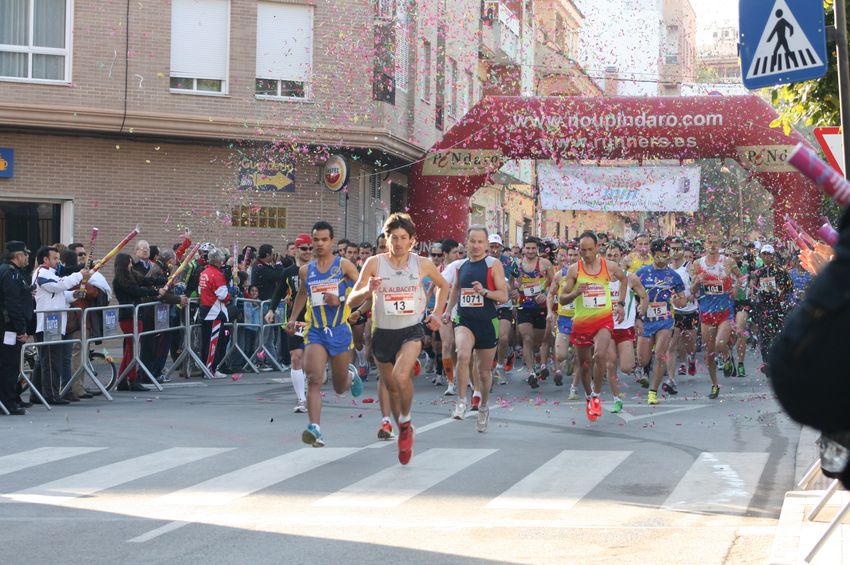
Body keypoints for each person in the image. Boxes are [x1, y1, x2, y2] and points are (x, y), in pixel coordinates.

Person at [350, 213, 448, 463]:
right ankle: (397, 420)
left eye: (403, 238)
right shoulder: (374, 263)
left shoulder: (422, 264)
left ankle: (405, 423)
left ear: (412, 240)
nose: (398, 243)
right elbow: (351, 300)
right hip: (383, 332)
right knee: (391, 386)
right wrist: (367, 289)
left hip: (411, 330)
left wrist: (437, 313)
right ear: (387, 238)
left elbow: (443, 286)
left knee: (400, 376)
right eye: (393, 238)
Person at [286, 221, 363, 447]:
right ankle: (315, 429)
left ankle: (351, 375)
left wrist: (339, 299)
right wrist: (292, 319)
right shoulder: (305, 270)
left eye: (324, 240)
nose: (319, 244)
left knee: (339, 387)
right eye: (316, 240)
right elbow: (302, 294)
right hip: (315, 331)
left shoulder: (344, 266)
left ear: (331, 241)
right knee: (314, 378)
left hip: (339, 330)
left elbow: (361, 292)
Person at [442, 225, 508, 431]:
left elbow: (503, 296)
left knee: (484, 372)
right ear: (466, 242)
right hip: (465, 320)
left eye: (481, 242)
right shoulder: (460, 266)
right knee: (462, 354)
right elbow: (455, 290)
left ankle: (484, 407)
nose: (476, 245)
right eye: (473, 241)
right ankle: (461, 401)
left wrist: (485, 292)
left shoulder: (493, 265)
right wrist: (447, 310)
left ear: (487, 244)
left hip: (488, 322)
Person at [559, 231, 628, 422]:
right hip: (582, 322)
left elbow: (624, 279)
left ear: (597, 248)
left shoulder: (609, 266)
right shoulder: (574, 270)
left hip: (603, 319)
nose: (587, 254)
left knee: (600, 355)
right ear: (579, 250)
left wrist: (621, 304)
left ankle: (596, 395)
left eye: (591, 249)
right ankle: (589, 396)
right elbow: (562, 299)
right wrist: (575, 294)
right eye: (583, 250)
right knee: (584, 364)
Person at [30, 246, 86, 405]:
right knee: (50, 362)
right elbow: (58, 285)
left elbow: (59, 294)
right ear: (45, 259)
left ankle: (36, 394)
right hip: (47, 324)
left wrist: (74, 295)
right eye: (54, 258)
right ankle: (51, 395)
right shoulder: (41, 273)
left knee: (44, 362)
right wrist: (79, 275)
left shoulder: (51, 274)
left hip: (54, 323)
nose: (58, 261)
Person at [691, 233, 741, 399]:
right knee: (709, 353)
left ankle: (727, 357)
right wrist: (697, 281)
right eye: (709, 242)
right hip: (706, 312)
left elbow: (741, 277)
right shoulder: (698, 264)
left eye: (715, 242)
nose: (712, 245)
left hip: (725, 311)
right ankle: (714, 385)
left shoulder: (727, 262)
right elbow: (692, 290)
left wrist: (736, 288)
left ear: (720, 244)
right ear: (705, 244)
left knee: (720, 344)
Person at [267, 234, 313, 412]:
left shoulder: (319, 270)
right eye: (304, 248)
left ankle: (310, 386)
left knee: (311, 362)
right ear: (296, 250)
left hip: (315, 320)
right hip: (295, 320)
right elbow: (278, 293)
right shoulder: (288, 272)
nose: (308, 252)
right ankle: (301, 399)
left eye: (310, 248)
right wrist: (271, 310)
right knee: (296, 358)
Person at [636, 240, 686, 405]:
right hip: (646, 320)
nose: (663, 260)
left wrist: (677, 300)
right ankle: (643, 369)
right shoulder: (642, 273)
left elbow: (683, 300)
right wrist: (637, 314)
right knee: (643, 360)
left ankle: (653, 392)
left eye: (665, 257)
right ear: (652, 255)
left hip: (665, 320)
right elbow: (633, 296)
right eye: (659, 257)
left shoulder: (673, 276)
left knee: (660, 355)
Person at [0, 241, 34, 415]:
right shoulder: (10, 273)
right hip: (9, 328)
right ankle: (8, 402)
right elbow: (13, 304)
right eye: (26, 254)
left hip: (10, 326)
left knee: (12, 365)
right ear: (18, 255)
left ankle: (13, 398)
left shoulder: (14, 273)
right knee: (8, 365)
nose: (28, 257)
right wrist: (21, 329)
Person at [515, 237, 552, 388]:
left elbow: (553, 283)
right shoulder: (517, 264)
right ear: (523, 249)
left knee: (538, 340)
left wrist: (546, 293)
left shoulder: (545, 264)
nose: (530, 251)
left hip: (540, 306)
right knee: (527, 338)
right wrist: (513, 291)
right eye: (527, 248)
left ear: (537, 249)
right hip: (524, 305)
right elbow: (512, 283)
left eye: (532, 248)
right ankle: (531, 372)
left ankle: (537, 360)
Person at [749, 244, 792, 375]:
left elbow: (790, 288)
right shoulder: (758, 272)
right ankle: (766, 362)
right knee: (765, 335)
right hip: (763, 307)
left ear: (773, 256)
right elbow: (753, 290)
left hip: (778, 307)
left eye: (769, 254)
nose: (767, 257)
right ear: (761, 256)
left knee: (778, 334)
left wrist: (779, 291)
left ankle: (780, 360)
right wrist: (754, 290)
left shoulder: (782, 271)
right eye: (764, 254)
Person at [199, 249, 234, 378]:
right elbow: (223, 295)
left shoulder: (204, 272)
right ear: (219, 261)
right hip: (214, 311)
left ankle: (206, 368)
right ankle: (210, 369)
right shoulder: (217, 274)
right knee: (213, 342)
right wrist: (231, 294)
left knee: (206, 342)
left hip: (205, 309)